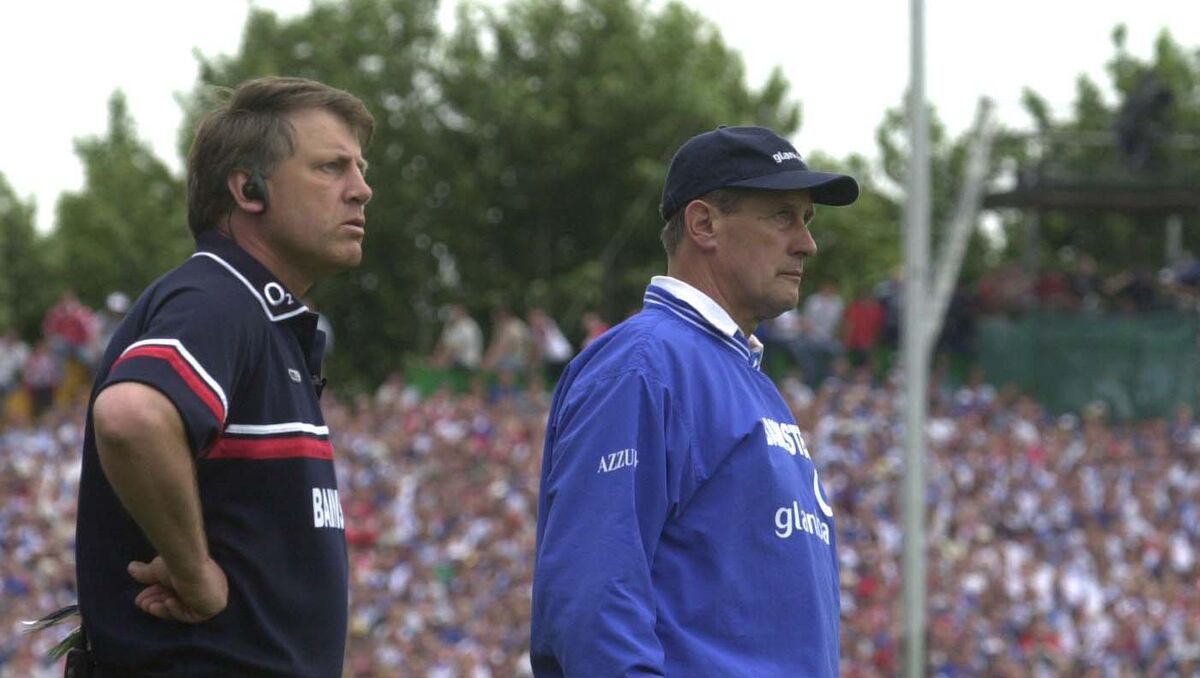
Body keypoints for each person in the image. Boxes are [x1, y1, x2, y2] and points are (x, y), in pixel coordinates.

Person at [73, 76, 374, 677]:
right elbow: (131, 416)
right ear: (248, 188)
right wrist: (195, 576)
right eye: (331, 168)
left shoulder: (259, 316)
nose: (362, 191)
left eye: (361, 169)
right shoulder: (218, 297)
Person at [531, 125, 858, 676]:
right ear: (703, 223)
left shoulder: (741, 374)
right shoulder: (644, 365)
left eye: (807, 220)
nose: (806, 242)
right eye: (782, 216)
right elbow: (595, 604)